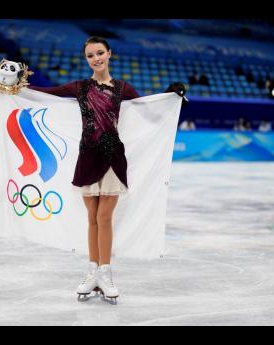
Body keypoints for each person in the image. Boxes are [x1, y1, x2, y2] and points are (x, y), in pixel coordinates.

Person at [27, 36, 186, 304]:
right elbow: (46, 93)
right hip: (88, 157)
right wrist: (14, 86)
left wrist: (170, 96)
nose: (96, 58)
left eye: (100, 53)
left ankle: (105, 272)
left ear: (109, 54)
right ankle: (93, 272)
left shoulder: (122, 88)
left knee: (104, 217)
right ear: (86, 59)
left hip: (112, 157)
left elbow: (150, 110)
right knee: (92, 218)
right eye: (90, 55)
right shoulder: (79, 87)